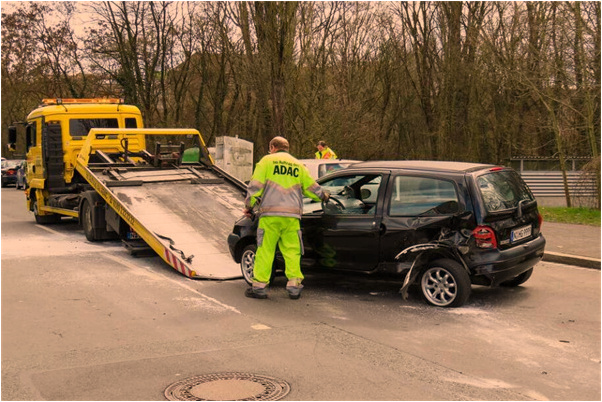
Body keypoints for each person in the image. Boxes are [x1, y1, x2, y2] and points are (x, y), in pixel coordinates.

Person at [244, 136, 329, 300]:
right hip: (292, 217)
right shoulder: (298, 165)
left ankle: (260, 287)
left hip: (270, 216)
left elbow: (255, 187)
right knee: (292, 251)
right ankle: (294, 286)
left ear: (272, 147)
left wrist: (249, 206)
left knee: (265, 251)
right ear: (287, 148)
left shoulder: (266, 162)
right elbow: (312, 188)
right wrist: (324, 196)